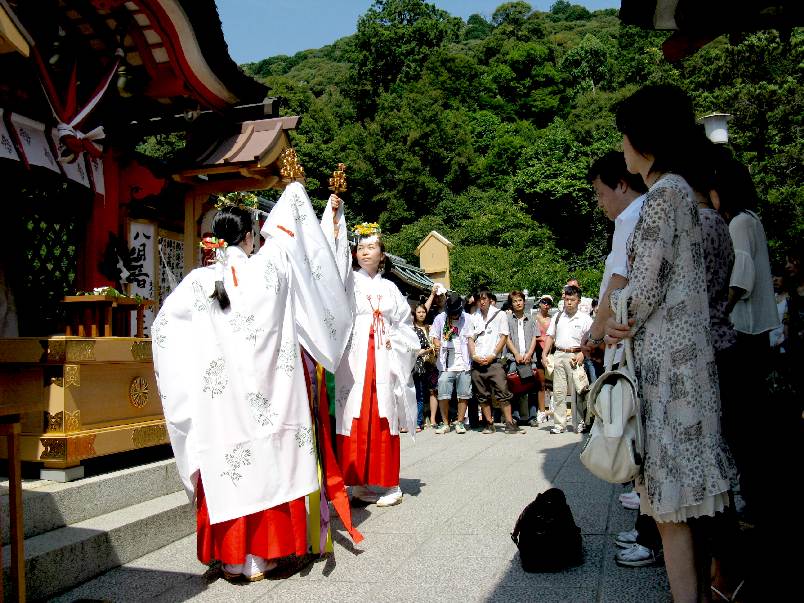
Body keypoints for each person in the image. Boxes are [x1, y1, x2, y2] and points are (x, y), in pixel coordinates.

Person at [152, 188, 356, 582]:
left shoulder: (198, 282)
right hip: (270, 396)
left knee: (225, 464)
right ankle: (267, 553)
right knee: (270, 462)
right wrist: (307, 196)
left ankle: (233, 558)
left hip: (221, 404)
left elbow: (163, 329)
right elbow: (296, 237)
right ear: (250, 237)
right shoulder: (270, 271)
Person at [605, 84, 736, 603]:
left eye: (625, 137)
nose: (622, 148)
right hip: (690, 366)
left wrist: (613, 313)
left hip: (669, 375)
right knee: (686, 503)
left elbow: (643, 290)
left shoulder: (662, 198)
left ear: (646, 140)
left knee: (671, 507)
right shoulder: (686, 193)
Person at [330, 219, 419, 508]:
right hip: (355, 357)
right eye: (361, 247)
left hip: (384, 357)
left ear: (383, 254)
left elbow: (405, 323)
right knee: (355, 416)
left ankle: (391, 484)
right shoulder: (347, 281)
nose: (365, 252)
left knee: (383, 415)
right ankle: (357, 482)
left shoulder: (391, 288)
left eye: (372, 247)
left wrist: (398, 340)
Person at [468, 286, 524, 434]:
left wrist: (493, 354)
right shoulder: (473, 317)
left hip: (494, 361)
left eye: (484, 298)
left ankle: (509, 422)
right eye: (479, 299)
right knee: (482, 394)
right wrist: (474, 355)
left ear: (490, 299)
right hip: (478, 361)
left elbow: (504, 337)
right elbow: (470, 339)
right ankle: (489, 423)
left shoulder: (500, 315)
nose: (482, 302)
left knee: (503, 391)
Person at [541, 285, 592, 434]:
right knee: (558, 391)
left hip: (576, 356)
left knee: (579, 391)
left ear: (578, 301)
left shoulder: (585, 319)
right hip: (559, 354)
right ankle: (559, 424)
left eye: (572, 300)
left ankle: (580, 423)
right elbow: (550, 336)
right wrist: (544, 353)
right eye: (567, 299)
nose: (569, 302)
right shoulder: (558, 317)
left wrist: (583, 353)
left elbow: (591, 339)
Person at [430, 292, 474, 434]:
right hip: (446, 362)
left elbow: (471, 338)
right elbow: (434, 336)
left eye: (456, 313)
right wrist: (437, 344)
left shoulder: (467, 318)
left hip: (464, 361)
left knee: (463, 393)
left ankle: (460, 422)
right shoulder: (440, 319)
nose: (454, 316)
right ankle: (445, 423)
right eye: (452, 313)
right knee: (443, 391)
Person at [504, 290, 541, 426]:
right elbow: (506, 338)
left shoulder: (531, 319)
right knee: (514, 387)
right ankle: (516, 416)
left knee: (531, 388)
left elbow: (534, 337)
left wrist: (530, 353)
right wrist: (516, 354)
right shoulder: (507, 320)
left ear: (524, 302)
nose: (518, 303)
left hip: (529, 358)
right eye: (515, 301)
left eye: (520, 300)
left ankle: (532, 416)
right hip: (513, 358)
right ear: (511, 304)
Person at [411, 303, 437, 432]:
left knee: (433, 391)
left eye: (423, 312)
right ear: (415, 314)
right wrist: (427, 350)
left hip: (431, 364)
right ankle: (418, 421)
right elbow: (413, 350)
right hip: (418, 366)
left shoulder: (430, 328)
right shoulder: (411, 329)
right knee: (419, 394)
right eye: (419, 312)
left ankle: (432, 419)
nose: (421, 314)